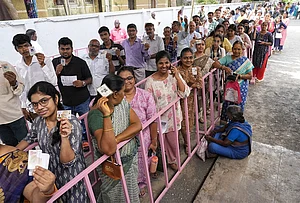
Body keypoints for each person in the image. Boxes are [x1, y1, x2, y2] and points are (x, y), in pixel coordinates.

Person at [16, 81, 88, 202]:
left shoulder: (71, 122)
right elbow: (29, 138)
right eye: (34, 104)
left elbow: (68, 162)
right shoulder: (39, 122)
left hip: (72, 179)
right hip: (50, 178)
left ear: (55, 98)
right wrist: (9, 155)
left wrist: (64, 137)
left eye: (44, 101)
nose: (39, 107)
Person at [88, 74, 142, 202]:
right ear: (116, 94)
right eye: (123, 91)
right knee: (114, 197)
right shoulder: (96, 115)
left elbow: (137, 125)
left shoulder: (121, 103)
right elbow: (109, 149)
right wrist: (106, 116)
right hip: (113, 166)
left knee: (130, 194)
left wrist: (117, 139)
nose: (125, 94)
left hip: (128, 159)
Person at [145, 51, 190, 171]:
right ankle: (159, 163)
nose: (164, 66)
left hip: (173, 116)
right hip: (158, 118)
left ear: (170, 63)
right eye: (161, 63)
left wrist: (177, 76)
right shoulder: (150, 81)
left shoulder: (174, 76)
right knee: (159, 142)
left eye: (166, 63)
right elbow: (148, 102)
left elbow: (185, 92)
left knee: (173, 142)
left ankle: (172, 160)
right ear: (156, 64)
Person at [117, 66, 157, 197]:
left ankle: (141, 185)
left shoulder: (145, 96)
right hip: (122, 139)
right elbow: (94, 105)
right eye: (122, 80)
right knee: (124, 165)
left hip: (142, 138)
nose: (127, 82)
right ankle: (127, 185)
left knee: (142, 163)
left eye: (129, 78)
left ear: (134, 79)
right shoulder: (115, 97)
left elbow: (153, 120)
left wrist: (154, 141)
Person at [52, 37, 92, 150]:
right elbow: (50, 80)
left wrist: (83, 83)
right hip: (65, 102)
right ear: (59, 49)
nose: (65, 51)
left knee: (85, 123)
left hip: (82, 100)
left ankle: (85, 141)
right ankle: (70, 143)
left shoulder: (80, 62)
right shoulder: (55, 62)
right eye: (62, 49)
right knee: (65, 123)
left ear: (72, 49)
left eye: (67, 49)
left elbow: (90, 79)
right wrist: (56, 73)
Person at [12, 34, 57, 122]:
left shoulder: (44, 60)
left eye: (26, 45)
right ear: (16, 49)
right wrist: (23, 106)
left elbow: (53, 81)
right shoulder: (19, 65)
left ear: (31, 46)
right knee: (39, 131)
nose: (24, 49)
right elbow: (23, 88)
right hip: (33, 106)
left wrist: (43, 65)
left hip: (48, 102)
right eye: (20, 47)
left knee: (55, 128)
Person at [212, 41, 253, 123]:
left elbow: (250, 76)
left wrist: (240, 76)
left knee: (238, 106)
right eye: (234, 49)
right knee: (227, 104)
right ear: (232, 49)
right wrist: (224, 67)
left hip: (241, 87)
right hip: (230, 87)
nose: (236, 51)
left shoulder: (245, 61)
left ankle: (235, 125)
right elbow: (215, 64)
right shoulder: (227, 58)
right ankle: (224, 125)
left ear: (242, 50)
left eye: (238, 49)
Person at [177, 48, 202, 154]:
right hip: (178, 101)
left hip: (190, 101)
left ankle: (187, 143)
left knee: (189, 122)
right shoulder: (177, 70)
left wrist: (189, 85)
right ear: (181, 59)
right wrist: (192, 84)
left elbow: (200, 84)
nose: (188, 60)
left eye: (190, 57)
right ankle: (177, 144)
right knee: (179, 122)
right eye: (185, 58)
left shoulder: (197, 69)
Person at [0, 61, 27, 146]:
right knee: (10, 151)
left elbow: (20, 89)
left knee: (28, 147)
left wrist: (14, 83)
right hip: (1, 122)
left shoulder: (5, 66)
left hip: (15, 116)